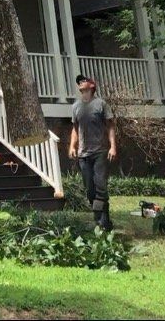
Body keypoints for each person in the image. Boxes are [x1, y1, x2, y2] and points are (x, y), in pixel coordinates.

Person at [68, 73, 117, 231]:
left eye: (84, 80)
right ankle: (103, 220)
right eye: (79, 82)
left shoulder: (101, 104)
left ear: (92, 86)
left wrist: (113, 146)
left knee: (101, 186)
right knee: (90, 190)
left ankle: (101, 221)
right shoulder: (76, 107)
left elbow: (110, 126)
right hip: (83, 154)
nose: (81, 83)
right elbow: (75, 128)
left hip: (100, 152)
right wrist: (72, 146)